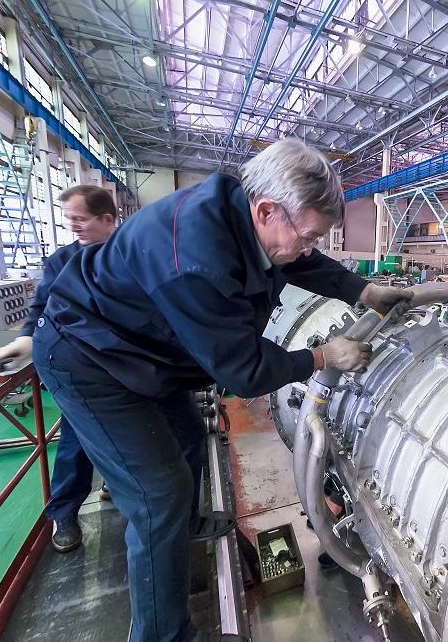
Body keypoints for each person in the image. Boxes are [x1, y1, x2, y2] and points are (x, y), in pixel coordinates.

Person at [31, 139, 412, 642]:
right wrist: (324, 356)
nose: (306, 246)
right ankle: (164, 633)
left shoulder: (243, 213)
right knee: (158, 494)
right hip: (91, 358)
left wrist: (363, 290)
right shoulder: (197, 258)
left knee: (188, 439)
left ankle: (180, 538)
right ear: (268, 210)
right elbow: (243, 371)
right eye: (308, 234)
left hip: (143, 353)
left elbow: (299, 262)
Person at [0, 185, 118, 552]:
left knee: (136, 437)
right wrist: (26, 338)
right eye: (69, 220)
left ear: (107, 219)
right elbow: (40, 306)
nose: (73, 226)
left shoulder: (129, 255)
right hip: (80, 371)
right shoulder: (62, 262)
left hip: (125, 368)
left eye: (80, 219)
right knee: (76, 443)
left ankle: (114, 482)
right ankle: (64, 514)